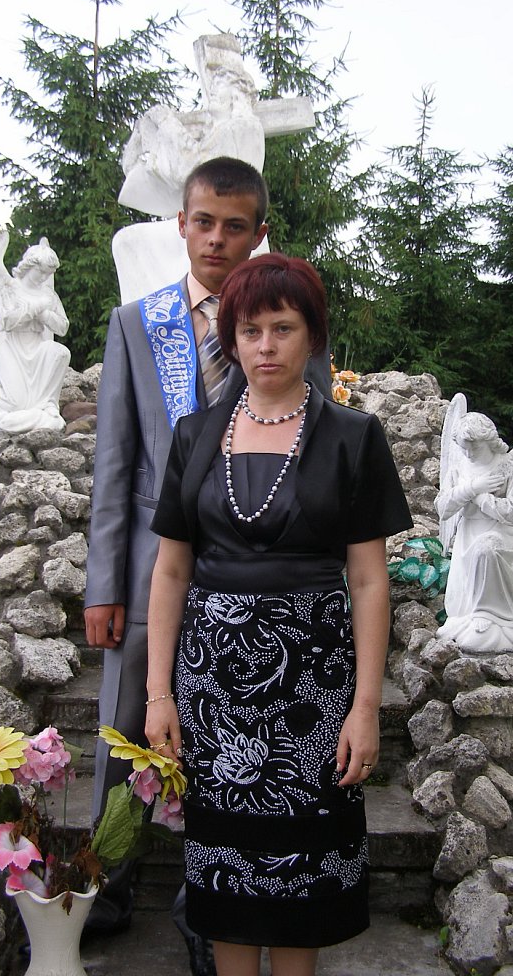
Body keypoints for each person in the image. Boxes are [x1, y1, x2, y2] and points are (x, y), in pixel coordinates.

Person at [84, 159, 332, 957]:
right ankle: (104, 885)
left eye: (235, 226)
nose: (217, 239)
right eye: (203, 222)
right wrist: (101, 582)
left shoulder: (286, 326)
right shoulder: (137, 324)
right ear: (181, 225)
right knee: (126, 728)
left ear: (260, 233)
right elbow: (116, 463)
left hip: (250, 579)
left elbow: (315, 447)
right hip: (148, 571)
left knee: (233, 742)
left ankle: (210, 904)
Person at [145, 253, 412, 976]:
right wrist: (159, 695)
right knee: (226, 874)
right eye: (250, 330)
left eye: (283, 328)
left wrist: (365, 709)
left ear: (313, 336)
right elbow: (170, 572)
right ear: (230, 339)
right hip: (213, 695)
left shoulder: (354, 437)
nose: (266, 346)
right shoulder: (195, 436)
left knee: (305, 880)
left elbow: (369, 583)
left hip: (313, 695)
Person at [435, 410, 513, 652]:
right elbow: (443, 508)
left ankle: (489, 614)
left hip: (501, 534)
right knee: (462, 600)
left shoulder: (510, 467)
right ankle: (468, 617)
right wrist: (471, 488)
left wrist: (481, 499)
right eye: (464, 448)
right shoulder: (459, 467)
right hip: (468, 532)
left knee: (486, 549)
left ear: (488, 441)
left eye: (474, 448)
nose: (468, 454)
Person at [0, 237, 70, 433]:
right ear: (29, 266)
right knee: (16, 404)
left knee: (60, 352)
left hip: (37, 342)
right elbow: (7, 321)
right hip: (12, 344)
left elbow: (62, 327)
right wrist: (35, 308)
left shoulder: (49, 295)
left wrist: (45, 315)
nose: (43, 277)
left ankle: (46, 405)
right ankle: (9, 418)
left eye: (48, 273)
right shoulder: (10, 289)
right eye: (40, 271)